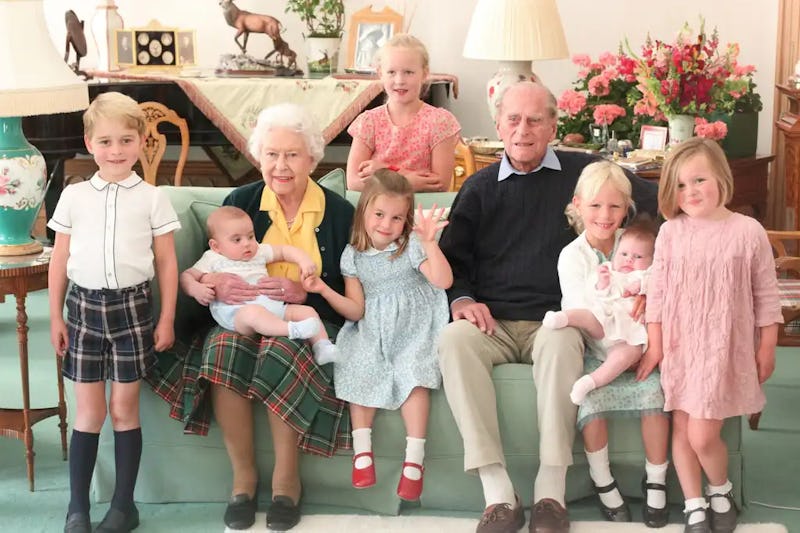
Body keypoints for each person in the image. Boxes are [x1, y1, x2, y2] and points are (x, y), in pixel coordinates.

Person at [436, 81, 658, 533]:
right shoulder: (478, 188)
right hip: (490, 322)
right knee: (452, 340)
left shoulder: (583, 172)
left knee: (560, 342)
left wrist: (653, 276)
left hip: (555, 320)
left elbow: (655, 204)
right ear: (498, 125)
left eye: (535, 120)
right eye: (513, 120)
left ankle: (551, 492)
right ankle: (498, 493)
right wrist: (461, 299)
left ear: (553, 126)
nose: (523, 130)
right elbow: (453, 259)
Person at [154, 103, 354, 532]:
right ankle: (243, 477)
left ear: (313, 159)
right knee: (223, 349)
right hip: (239, 318)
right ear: (259, 156)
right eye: (272, 154)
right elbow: (208, 268)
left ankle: (286, 480)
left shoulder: (338, 213)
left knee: (283, 345)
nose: (281, 166)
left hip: (306, 318)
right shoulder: (240, 202)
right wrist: (216, 287)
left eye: (292, 155)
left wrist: (307, 292)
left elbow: (352, 286)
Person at [47, 91, 180, 533]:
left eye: (126, 140)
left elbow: (166, 262)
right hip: (82, 310)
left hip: (132, 311)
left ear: (142, 142)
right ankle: (77, 510)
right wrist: (55, 317)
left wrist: (166, 319)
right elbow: (59, 261)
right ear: (89, 143)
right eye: (106, 141)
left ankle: (123, 507)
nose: (116, 151)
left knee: (124, 410)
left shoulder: (153, 198)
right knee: (90, 413)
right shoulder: (74, 196)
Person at [636, 137, 782, 533]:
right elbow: (659, 295)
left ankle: (721, 488)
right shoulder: (671, 233)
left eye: (699, 179)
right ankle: (696, 503)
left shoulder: (746, 231)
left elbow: (766, 294)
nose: (691, 191)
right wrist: (657, 345)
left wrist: (767, 345)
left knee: (702, 434)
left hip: (723, 349)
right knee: (682, 429)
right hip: (681, 347)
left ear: (721, 176)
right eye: (681, 185)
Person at [303, 169, 452, 502]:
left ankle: (415, 460)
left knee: (414, 374)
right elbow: (356, 310)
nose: (387, 224)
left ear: (406, 221)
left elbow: (443, 281)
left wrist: (428, 242)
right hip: (373, 325)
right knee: (359, 364)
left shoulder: (411, 244)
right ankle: (362, 452)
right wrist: (325, 290)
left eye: (397, 217)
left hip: (416, 325)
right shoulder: (352, 256)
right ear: (364, 211)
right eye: (379, 214)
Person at [551, 161, 670, 527]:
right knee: (590, 403)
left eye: (615, 207)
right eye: (596, 206)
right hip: (598, 348)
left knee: (655, 397)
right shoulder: (572, 256)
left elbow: (661, 282)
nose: (605, 216)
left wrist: (648, 299)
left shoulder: (635, 243)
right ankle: (604, 483)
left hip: (638, 345)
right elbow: (580, 310)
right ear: (578, 205)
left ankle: (656, 483)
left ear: (627, 208)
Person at [180, 205, 339, 365]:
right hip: (237, 314)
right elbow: (187, 276)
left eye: (250, 236)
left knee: (307, 311)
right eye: (237, 240)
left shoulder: (258, 252)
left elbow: (284, 251)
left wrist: (303, 261)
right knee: (254, 313)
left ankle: (322, 346)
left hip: (273, 306)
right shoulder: (212, 258)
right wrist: (196, 289)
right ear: (216, 246)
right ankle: (291, 330)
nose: (247, 244)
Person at [543, 211, 657, 406]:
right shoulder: (609, 270)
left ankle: (589, 382)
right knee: (587, 316)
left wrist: (644, 289)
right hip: (603, 324)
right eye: (624, 254)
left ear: (651, 261)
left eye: (638, 256)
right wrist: (602, 284)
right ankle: (561, 318)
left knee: (628, 355)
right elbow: (593, 296)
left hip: (629, 336)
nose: (629, 260)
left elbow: (660, 286)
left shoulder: (647, 276)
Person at [346, 33, 461, 193]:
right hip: (379, 214)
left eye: (408, 72)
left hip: (423, 212)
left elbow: (439, 183)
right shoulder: (369, 122)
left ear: (424, 73)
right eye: (391, 72)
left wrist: (385, 171)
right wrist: (408, 181)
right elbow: (353, 181)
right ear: (380, 73)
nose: (399, 80)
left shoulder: (439, 122)